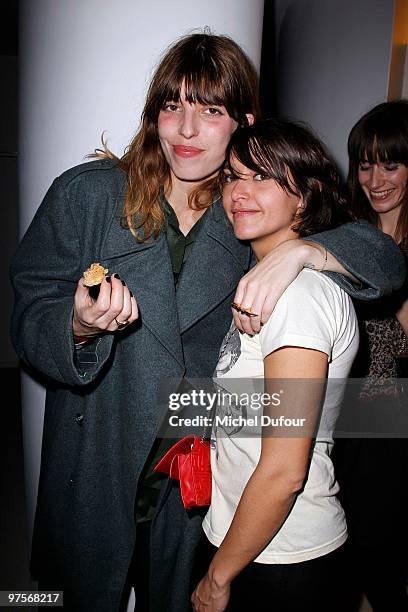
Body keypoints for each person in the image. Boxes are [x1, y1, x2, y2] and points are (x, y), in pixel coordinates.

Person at [10, 33, 405, 612]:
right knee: (50, 598)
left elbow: (385, 258)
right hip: (93, 458)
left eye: (211, 111)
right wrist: (78, 326)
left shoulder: (247, 209)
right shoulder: (90, 194)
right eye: (173, 106)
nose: (186, 130)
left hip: (189, 481)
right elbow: (26, 313)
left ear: (243, 120)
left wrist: (303, 253)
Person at [190, 118, 359, 612]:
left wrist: (218, 579)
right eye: (233, 176)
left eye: (262, 177)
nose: (239, 192)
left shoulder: (298, 297)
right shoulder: (266, 281)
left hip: (281, 557)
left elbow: (285, 470)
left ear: (304, 196)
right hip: (255, 542)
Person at [333, 100, 408, 612]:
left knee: (379, 547)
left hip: (390, 413)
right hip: (343, 407)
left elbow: (400, 340)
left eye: (390, 164)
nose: (374, 179)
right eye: (364, 164)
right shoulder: (351, 234)